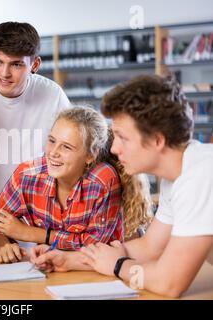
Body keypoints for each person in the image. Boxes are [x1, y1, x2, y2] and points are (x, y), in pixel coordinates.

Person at [32, 75, 213, 298]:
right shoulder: (177, 176)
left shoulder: (200, 176)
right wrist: (71, 259)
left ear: (157, 140)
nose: (115, 149)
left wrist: (118, 266)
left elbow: (169, 284)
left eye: (123, 138)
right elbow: (149, 248)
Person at [0, 106, 152, 264]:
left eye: (66, 147)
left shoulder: (102, 181)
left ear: (90, 156)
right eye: (52, 141)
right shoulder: (27, 175)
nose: (53, 153)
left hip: (122, 261)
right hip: (61, 266)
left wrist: (29, 233)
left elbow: (97, 246)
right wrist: (2, 245)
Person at [0, 21, 71, 223]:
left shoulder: (53, 95)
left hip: (37, 220)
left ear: (34, 65)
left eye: (16, 64)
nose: (4, 73)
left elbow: (67, 159)